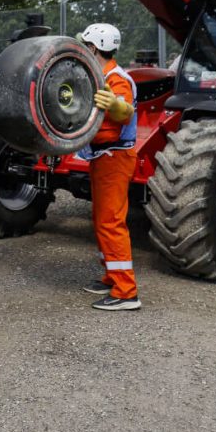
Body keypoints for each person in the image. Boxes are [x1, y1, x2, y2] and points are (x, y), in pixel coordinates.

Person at [76, 23, 141, 311]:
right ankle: (111, 277)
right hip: (103, 157)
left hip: (115, 157)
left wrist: (115, 105)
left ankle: (126, 291)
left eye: (85, 45)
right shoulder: (100, 76)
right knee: (103, 219)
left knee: (111, 221)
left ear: (93, 48)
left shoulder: (117, 78)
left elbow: (125, 112)